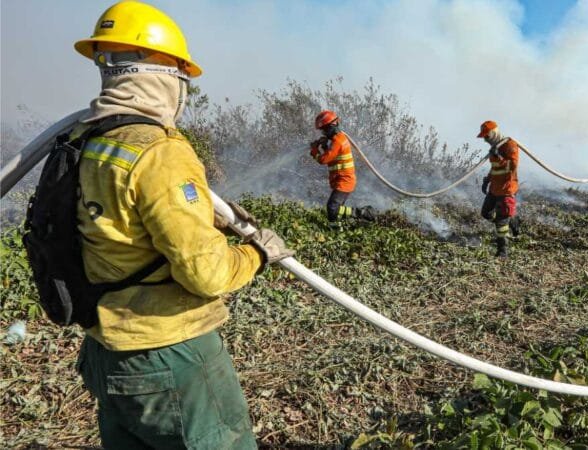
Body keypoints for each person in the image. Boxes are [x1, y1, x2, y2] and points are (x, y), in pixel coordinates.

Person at [73, 2, 292, 448]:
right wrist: (258, 252)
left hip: (106, 349)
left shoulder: (83, 141)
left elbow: (120, 217)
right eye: (181, 76)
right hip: (170, 352)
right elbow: (206, 274)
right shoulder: (160, 150)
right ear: (163, 75)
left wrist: (194, 214)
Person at [309, 110, 375, 229]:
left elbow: (323, 160)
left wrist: (314, 151)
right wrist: (323, 146)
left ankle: (363, 213)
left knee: (332, 207)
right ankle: (337, 230)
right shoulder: (337, 139)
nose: (323, 133)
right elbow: (332, 156)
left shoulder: (338, 141)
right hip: (341, 180)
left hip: (345, 181)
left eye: (324, 129)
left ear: (331, 126)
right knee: (336, 211)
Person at [477, 120, 521, 258]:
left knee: (501, 223)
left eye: (486, 136)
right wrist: (487, 180)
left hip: (506, 189)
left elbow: (512, 166)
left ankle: (503, 251)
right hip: (495, 188)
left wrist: (499, 155)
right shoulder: (495, 148)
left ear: (494, 133)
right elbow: (495, 167)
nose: (485, 140)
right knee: (486, 213)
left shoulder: (510, 145)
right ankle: (512, 220)